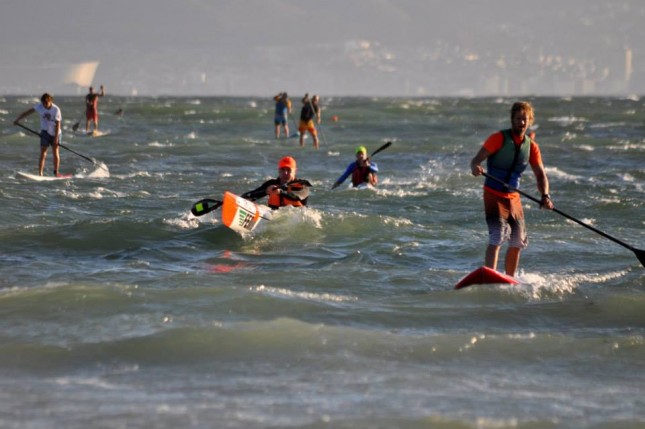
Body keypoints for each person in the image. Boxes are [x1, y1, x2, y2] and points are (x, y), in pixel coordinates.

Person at [470, 101, 554, 277]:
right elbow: (475, 161)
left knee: (517, 240)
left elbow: (540, 175)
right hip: (493, 193)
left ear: (529, 121)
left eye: (524, 119)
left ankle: (510, 278)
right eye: (518, 119)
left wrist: (545, 195)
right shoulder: (498, 138)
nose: (521, 123)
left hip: (513, 196)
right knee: (498, 235)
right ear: (512, 120)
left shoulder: (531, 146)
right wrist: (476, 167)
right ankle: (490, 275)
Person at [14, 93, 63, 177]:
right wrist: (17, 119)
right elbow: (28, 112)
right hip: (45, 132)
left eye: (46, 104)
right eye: (43, 104)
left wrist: (55, 138)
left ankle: (56, 172)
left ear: (50, 101)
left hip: (56, 133)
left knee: (55, 152)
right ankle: (40, 173)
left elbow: (58, 124)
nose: (44, 106)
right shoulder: (39, 106)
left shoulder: (56, 109)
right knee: (43, 152)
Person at [241, 156, 311, 209]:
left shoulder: (303, 185)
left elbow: (297, 197)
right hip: (275, 218)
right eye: (282, 170)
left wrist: (281, 192)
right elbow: (249, 196)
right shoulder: (271, 184)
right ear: (278, 170)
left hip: (296, 218)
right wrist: (266, 191)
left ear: (295, 171)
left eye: (288, 170)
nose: (285, 173)